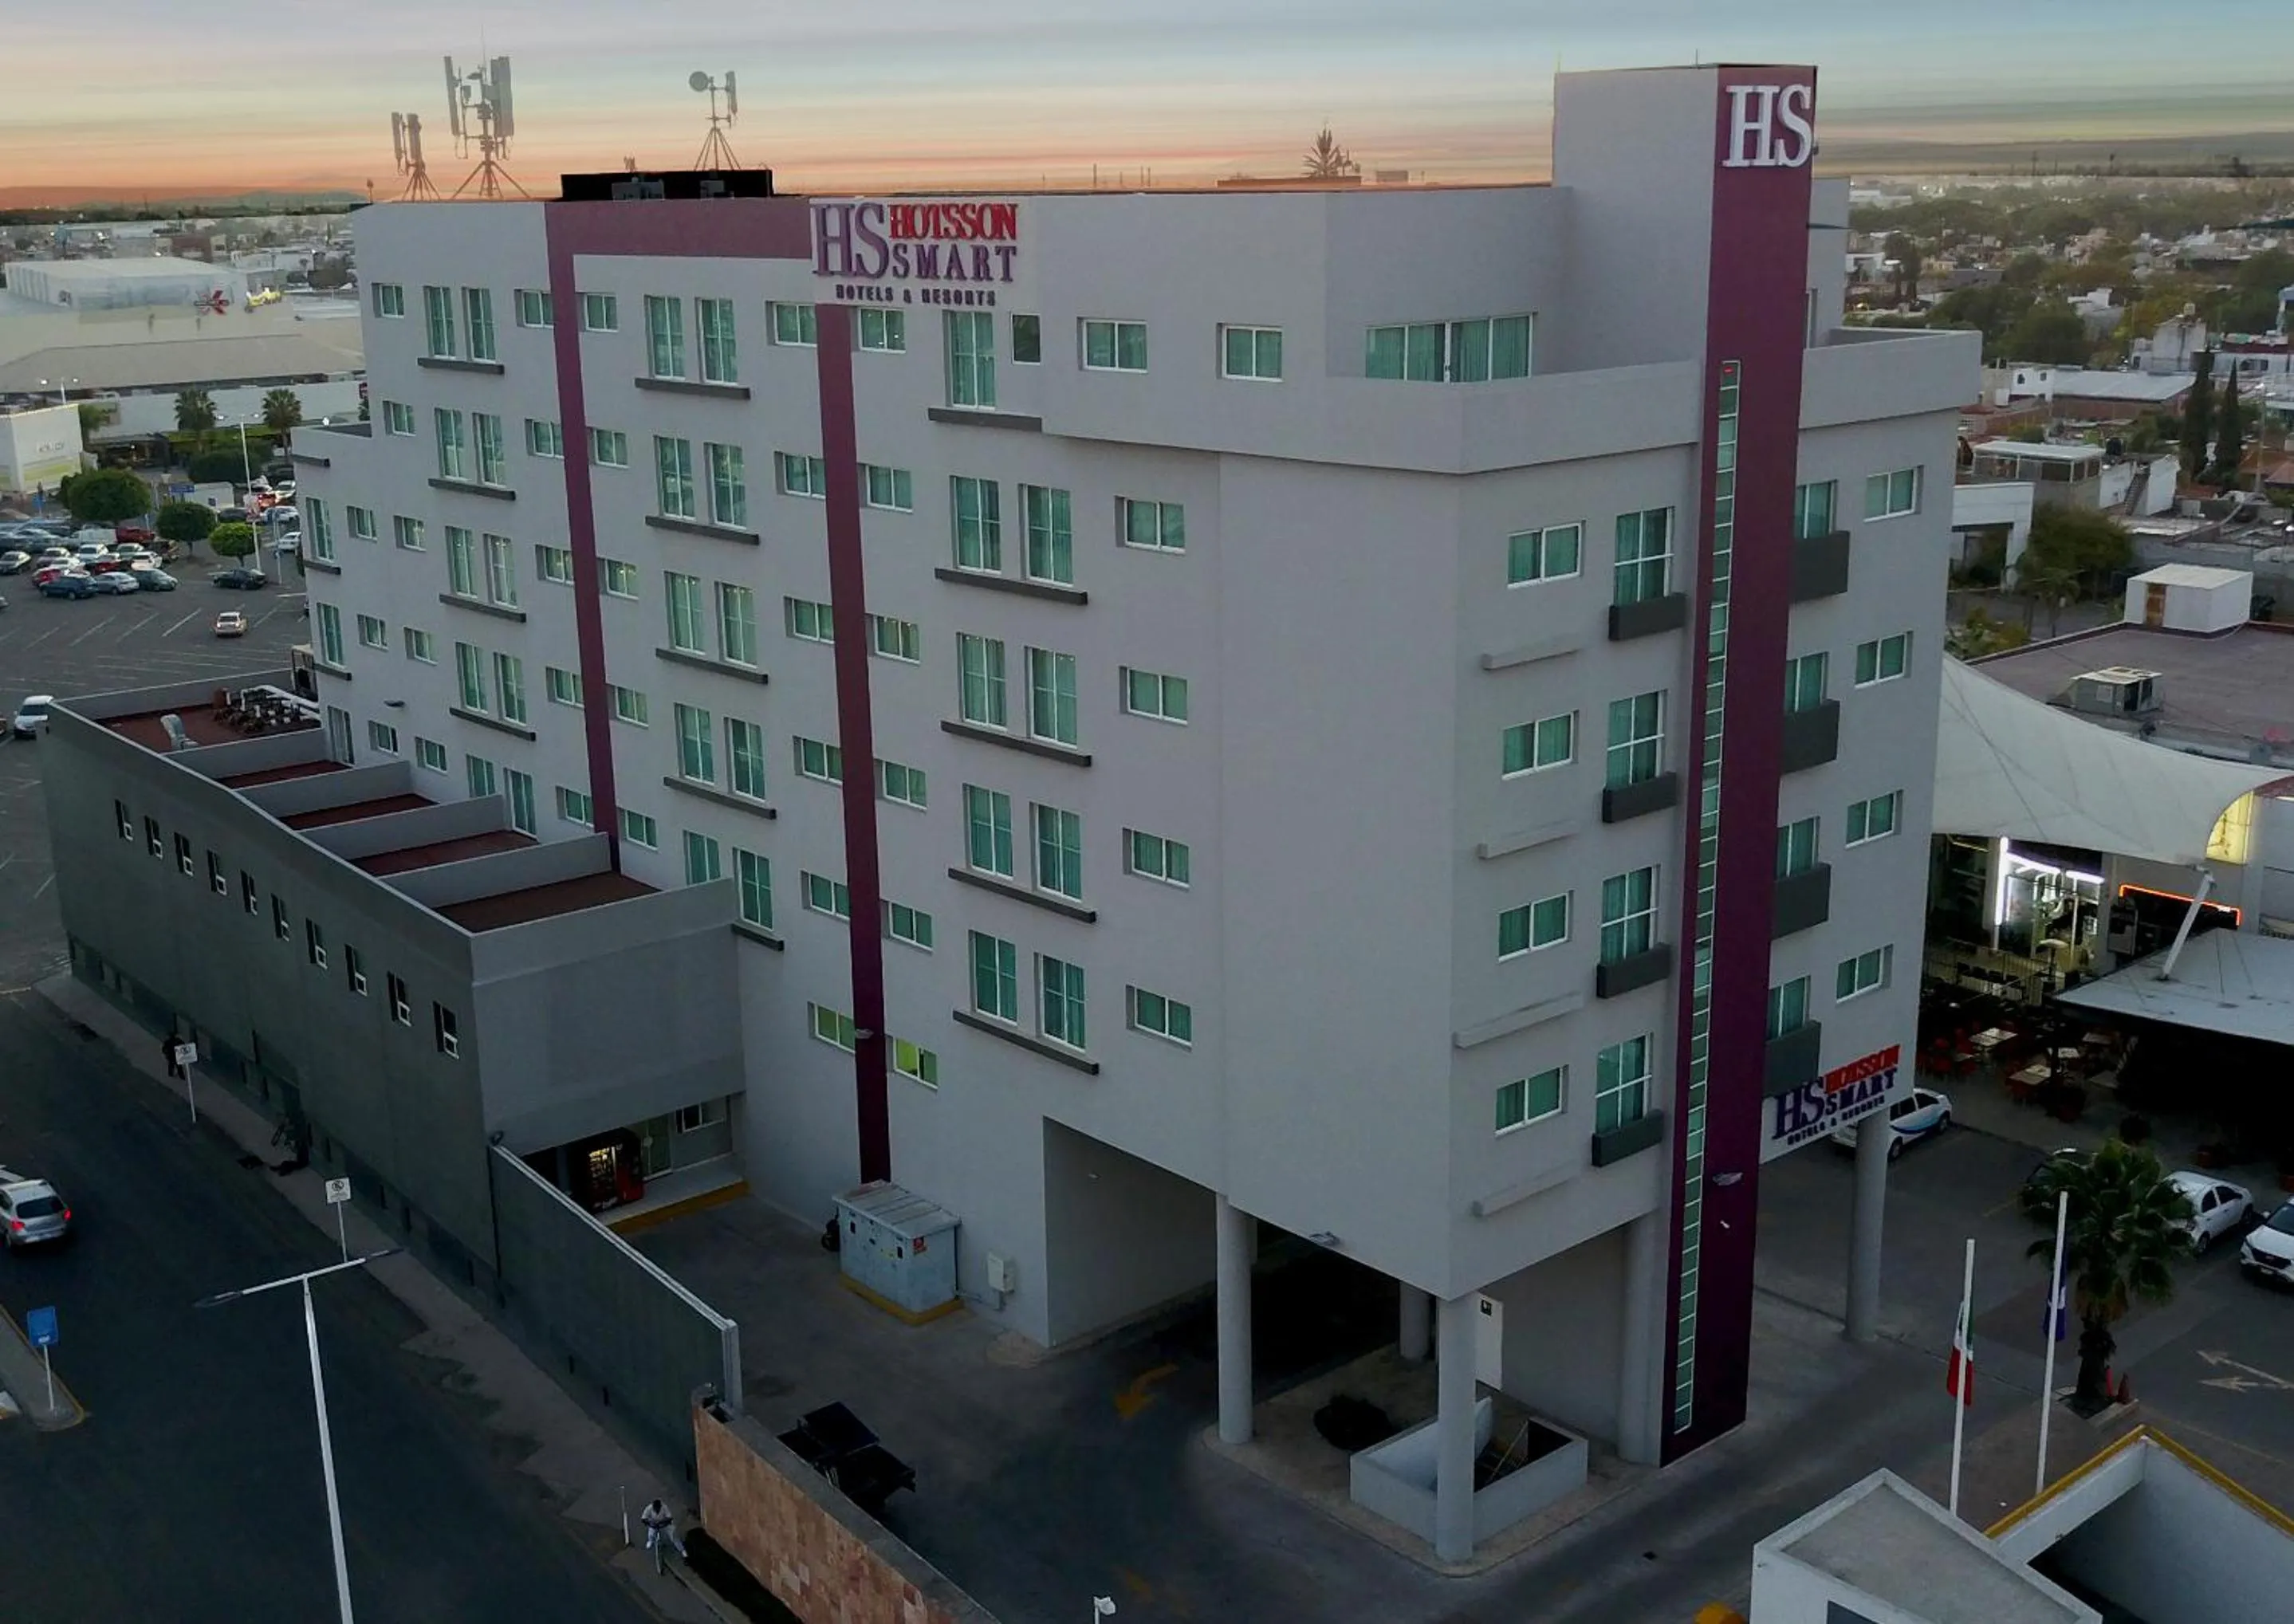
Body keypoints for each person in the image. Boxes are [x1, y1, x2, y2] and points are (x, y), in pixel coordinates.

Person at [639, 1497, 686, 1572]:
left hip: (664, 1524)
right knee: (651, 1533)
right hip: (654, 1525)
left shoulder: (664, 1507)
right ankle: (650, 1541)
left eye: (658, 1509)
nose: (657, 1510)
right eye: (656, 1509)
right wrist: (651, 1523)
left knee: (673, 1534)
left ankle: (682, 1550)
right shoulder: (649, 1508)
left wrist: (663, 1523)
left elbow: (669, 1518)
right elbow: (644, 1519)